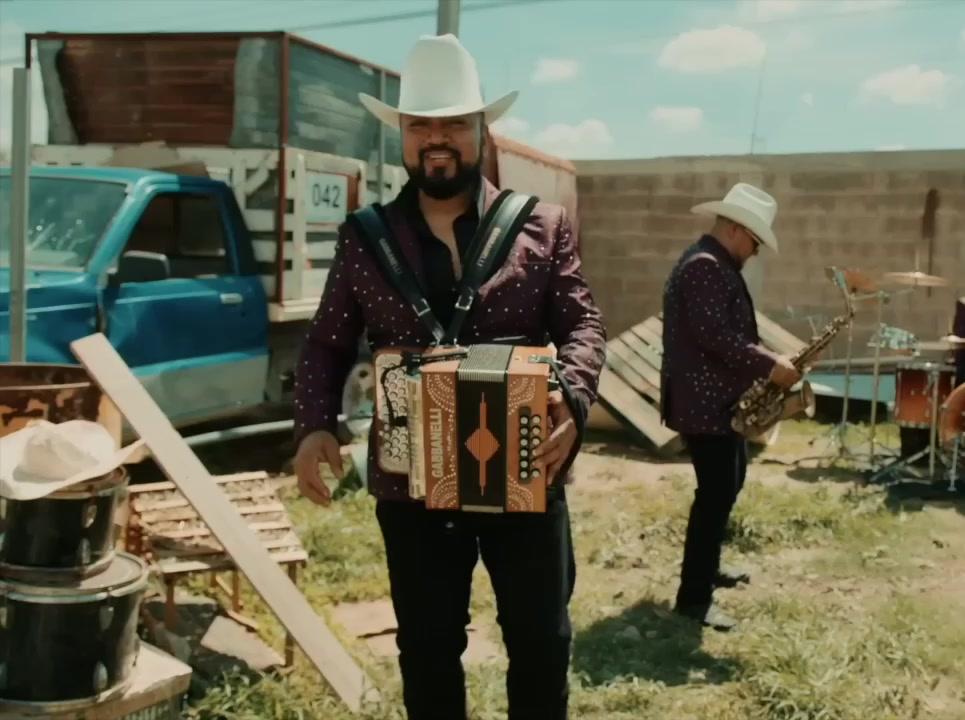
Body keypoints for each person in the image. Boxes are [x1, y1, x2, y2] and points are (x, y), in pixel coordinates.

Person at [291, 35, 606, 720]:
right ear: (402, 135)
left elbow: (584, 326)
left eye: (454, 124)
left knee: (542, 642)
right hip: (413, 485)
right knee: (428, 649)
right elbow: (326, 342)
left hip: (525, 469)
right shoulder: (363, 236)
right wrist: (315, 424)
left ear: (480, 130)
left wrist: (573, 397)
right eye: (419, 125)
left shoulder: (542, 225)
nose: (436, 139)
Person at [659, 183, 803, 632]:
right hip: (706, 406)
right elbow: (715, 335)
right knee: (715, 495)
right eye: (756, 242)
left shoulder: (713, 262)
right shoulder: (705, 266)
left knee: (729, 482)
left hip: (718, 404)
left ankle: (708, 569)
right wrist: (770, 365)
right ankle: (694, 598)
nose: (756, 252)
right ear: (737, 229)